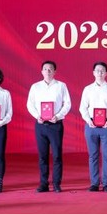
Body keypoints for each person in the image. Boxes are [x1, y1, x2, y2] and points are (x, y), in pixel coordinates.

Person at [26, 60, 72, 193]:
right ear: (41, 71)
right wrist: (37, 116)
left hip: (55, 124)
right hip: (41, 125)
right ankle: (43, 183)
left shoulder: (61, 86)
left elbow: (67, 104)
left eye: (50, 69)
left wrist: (58, 116)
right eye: (45, 69)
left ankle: (57, 183)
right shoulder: (35, 87)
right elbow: (30, 104)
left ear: (55, 71)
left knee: (57, 155)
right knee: (42, 156)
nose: (48, 71)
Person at [79, 61, 107, 193]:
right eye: (97, 70)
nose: (100, 73)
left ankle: (106, 184)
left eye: (102, 70)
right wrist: (88, 120)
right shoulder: (87, 89)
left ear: (106, 73)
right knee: (93, 155)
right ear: (93, 73)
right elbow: (82, 107)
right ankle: (94, 183)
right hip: (91, 125)